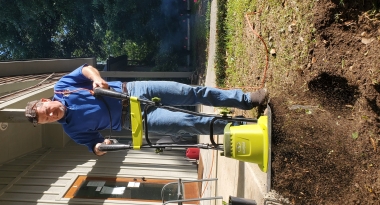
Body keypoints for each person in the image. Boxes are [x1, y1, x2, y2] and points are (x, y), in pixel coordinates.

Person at [25, 64, 267, 156]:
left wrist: (97, 79)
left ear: (46, 100)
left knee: (190, 93)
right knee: (186, 122)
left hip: (135, 90)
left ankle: (246, 100)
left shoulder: (63, 88)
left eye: (46, 110)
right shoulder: (73, 131)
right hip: (136, 120)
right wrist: (102, 146)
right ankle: (244, 128)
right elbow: (94, 146)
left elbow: (86, 69)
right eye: (46, 119)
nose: (50, 115)